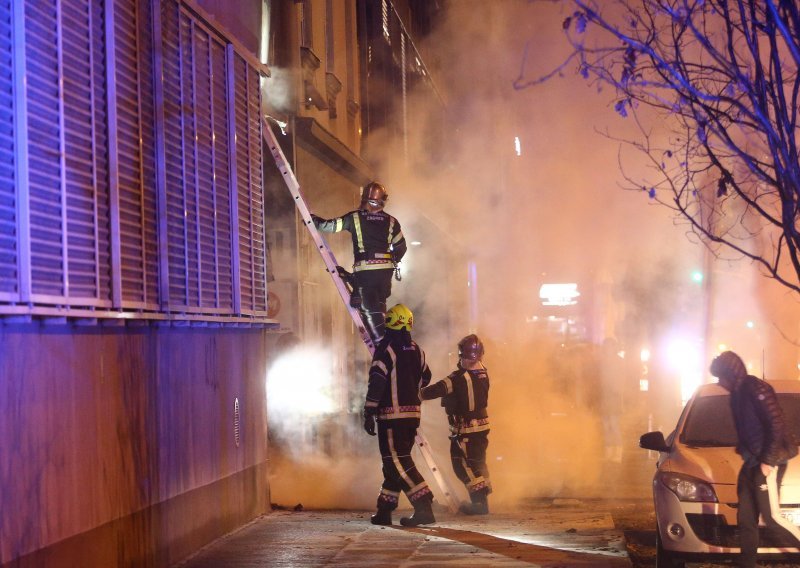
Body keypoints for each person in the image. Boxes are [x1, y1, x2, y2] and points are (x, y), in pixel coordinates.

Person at [710, 350, 800, 567]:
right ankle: (746, 563)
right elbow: (750, 429)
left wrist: (767, 462)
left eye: (721, 377)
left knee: (772, 519)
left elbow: (776, 425)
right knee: (746, 519)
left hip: (768, 462)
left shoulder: (756, 389)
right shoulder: (737, 394)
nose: (719, 382)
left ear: (731, 374)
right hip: (751, 463)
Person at [363, 303, 435, 527]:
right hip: (412, 415)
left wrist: (369, 410)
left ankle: (424, 504)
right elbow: (427, 376)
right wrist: (411, 395)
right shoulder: (416, 349)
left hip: (391, 418)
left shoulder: (386, 349)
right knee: (393, 464)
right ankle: (384, 510)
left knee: (397, 461)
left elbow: (378, 381)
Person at [312, 182, 407, 342]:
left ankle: (383, 346)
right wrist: (391, 260)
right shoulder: (392, 222)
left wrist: (312, 219)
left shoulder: (354, 217)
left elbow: (328, 226)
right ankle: (386, 340)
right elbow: (401, 248)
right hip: (385, 276)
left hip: (365, 274)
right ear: (383, 200)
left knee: (371, 316)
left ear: (364, 199)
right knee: (380, 307)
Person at [420, 334, 491, 515]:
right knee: (478, 463)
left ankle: (479, 503)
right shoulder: (483, 371)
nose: (462, 360)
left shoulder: (457, 378)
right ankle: (483, 497)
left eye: (463, 356)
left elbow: (435, 390)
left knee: (462, 466)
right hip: (481, 428)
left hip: (465, 430)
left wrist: (413, 393)